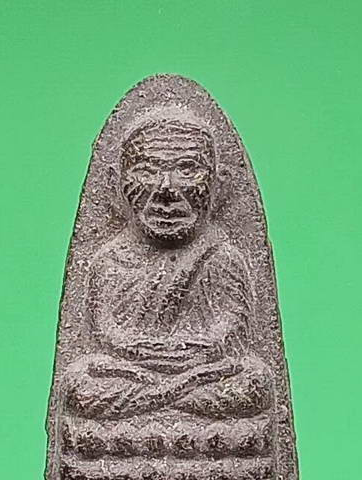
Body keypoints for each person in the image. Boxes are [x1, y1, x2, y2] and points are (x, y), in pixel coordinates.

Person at [61, 118, 273, 420]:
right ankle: (169, 399)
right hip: (131, 370)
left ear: (219, 182)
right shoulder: (109, 261)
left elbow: (232, 333)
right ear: (115, 183)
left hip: (199, 369)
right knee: (78, 384)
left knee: (256, 381)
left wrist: (194, 355)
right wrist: (144, 353)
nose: (166, 188)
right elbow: (104, 333)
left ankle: (156, 402)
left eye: (187, 170)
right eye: (146, 171)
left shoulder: (220, 256)